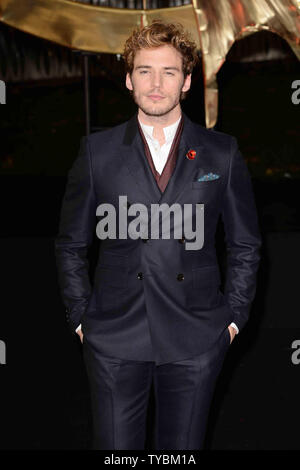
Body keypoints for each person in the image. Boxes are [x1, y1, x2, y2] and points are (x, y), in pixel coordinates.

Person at [55, 19, 262, 450]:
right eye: (145, 71)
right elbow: (71, 244)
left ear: (186, 81)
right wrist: (80, 318)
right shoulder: (97, 152)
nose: (156, 84)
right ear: (129, 79)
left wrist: (232, 321)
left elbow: (244, 244)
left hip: (197, 335)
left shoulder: (222, 152)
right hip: (113, 336)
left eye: (169, 72)